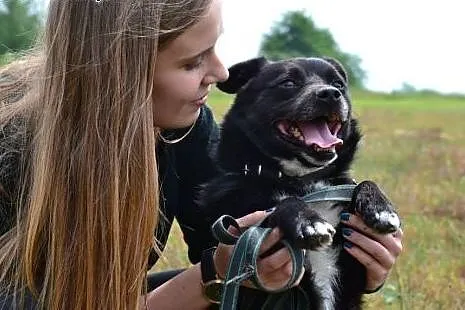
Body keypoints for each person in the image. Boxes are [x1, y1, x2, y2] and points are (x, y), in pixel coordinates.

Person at [0, 0, 403, 309]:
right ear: (119, 71)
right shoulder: (11, 145)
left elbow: (232, 259)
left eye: (215, 47)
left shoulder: (187, 130)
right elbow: (214, 272)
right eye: (193, 61)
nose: (223, 73)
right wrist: (217, 273)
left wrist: (356, 268)